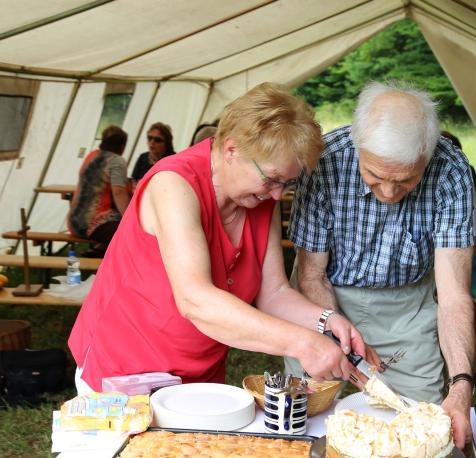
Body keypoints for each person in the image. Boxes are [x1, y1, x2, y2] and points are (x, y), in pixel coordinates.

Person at [68, 83, 371, 396]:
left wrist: (324, 320)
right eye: (272, 179)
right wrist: (302, 343)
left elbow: (274, 293)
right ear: (231, 150)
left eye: (288, 183)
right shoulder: (173, 184)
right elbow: (195, 300)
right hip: (125, 371)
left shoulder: (260, 198)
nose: (278, 194)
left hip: (198, 375)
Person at [285, 81, 476, 449]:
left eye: (405, 180)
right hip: (323, 299)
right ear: (358, 145)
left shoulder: (452, 172)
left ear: (427, 154)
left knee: (421, 425)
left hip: (408, 309)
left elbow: (453, 295)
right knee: (308, 418)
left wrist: (462, 383)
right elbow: (311, 274)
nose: (388, 193)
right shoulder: (324, 161)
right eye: (374, 176)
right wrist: (343, 348)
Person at [68, 125, 130, 254]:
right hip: (92, 224)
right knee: (132, 233)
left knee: (118, 225)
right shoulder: (117, 161)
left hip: (73, 222)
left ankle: (100, 251)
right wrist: (131, 219)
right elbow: (119, 193)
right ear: (122, 146)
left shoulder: (91, 156)